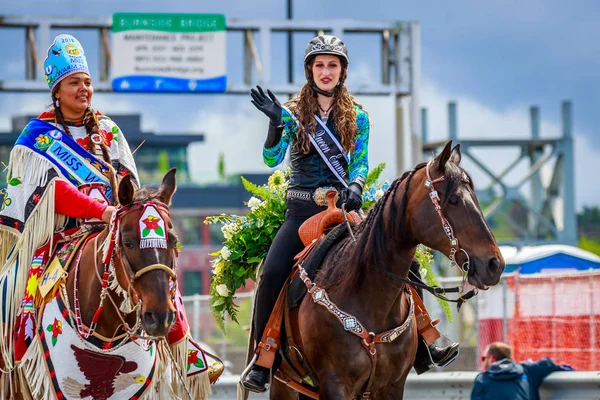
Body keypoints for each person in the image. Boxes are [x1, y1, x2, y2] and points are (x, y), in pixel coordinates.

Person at [241, 34, 458, 394]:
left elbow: (360, 160)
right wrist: (275, 122)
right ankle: (263, 359)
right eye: (319, 65)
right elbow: (270, 159)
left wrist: (356, 185)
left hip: (347, 207)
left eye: (332, 65)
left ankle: (424, 342)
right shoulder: (293, 114)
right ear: (310, 70)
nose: (326, 71)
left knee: (406, 261)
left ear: (342, 71)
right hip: (302, 209)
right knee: (274, 272)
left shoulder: (358, 116)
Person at [471, 342, 575, 400]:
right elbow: (548, 363)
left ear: (492, 359)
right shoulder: (527, 370)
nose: (483, 362)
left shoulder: (482, 379)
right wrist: (566, 369)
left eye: (484, 358)